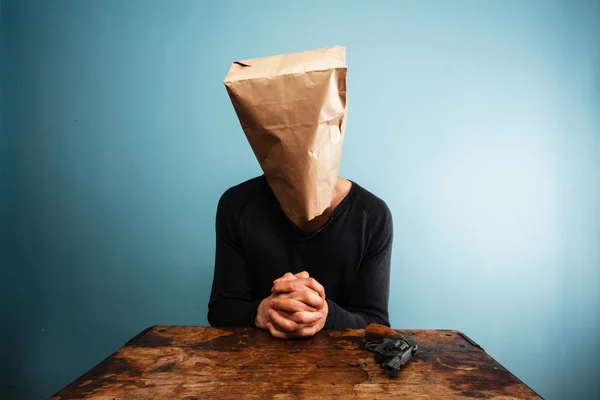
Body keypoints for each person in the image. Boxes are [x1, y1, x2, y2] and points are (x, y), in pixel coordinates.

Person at [207, 174, 393, 339]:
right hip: (249, 366)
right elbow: (221, 311)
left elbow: (377, 324)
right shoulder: (236, 204)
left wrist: (324, 314)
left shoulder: (373, 215)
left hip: (345, 370)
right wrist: (263, 312)